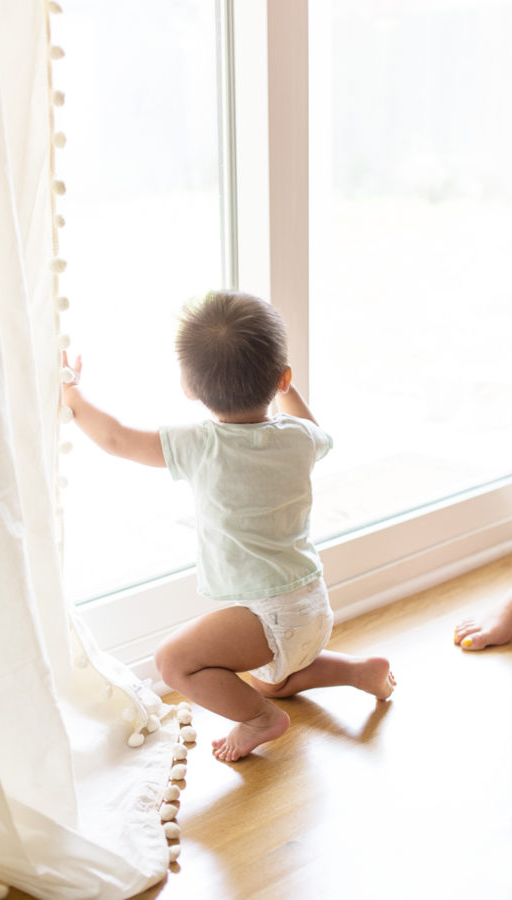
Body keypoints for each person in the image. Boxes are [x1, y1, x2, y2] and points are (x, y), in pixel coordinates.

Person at [61, 291, 396, 762]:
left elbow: (116, 438)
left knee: (172, 662)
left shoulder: (201, 445)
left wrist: (72, 393)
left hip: (270, 617)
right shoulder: (301, 438)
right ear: (283, 378)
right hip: (311, 606)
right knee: (268, 680)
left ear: (189, 388)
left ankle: (258, 720)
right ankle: (357, 672)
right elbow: (313, 426)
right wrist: (286, 388)